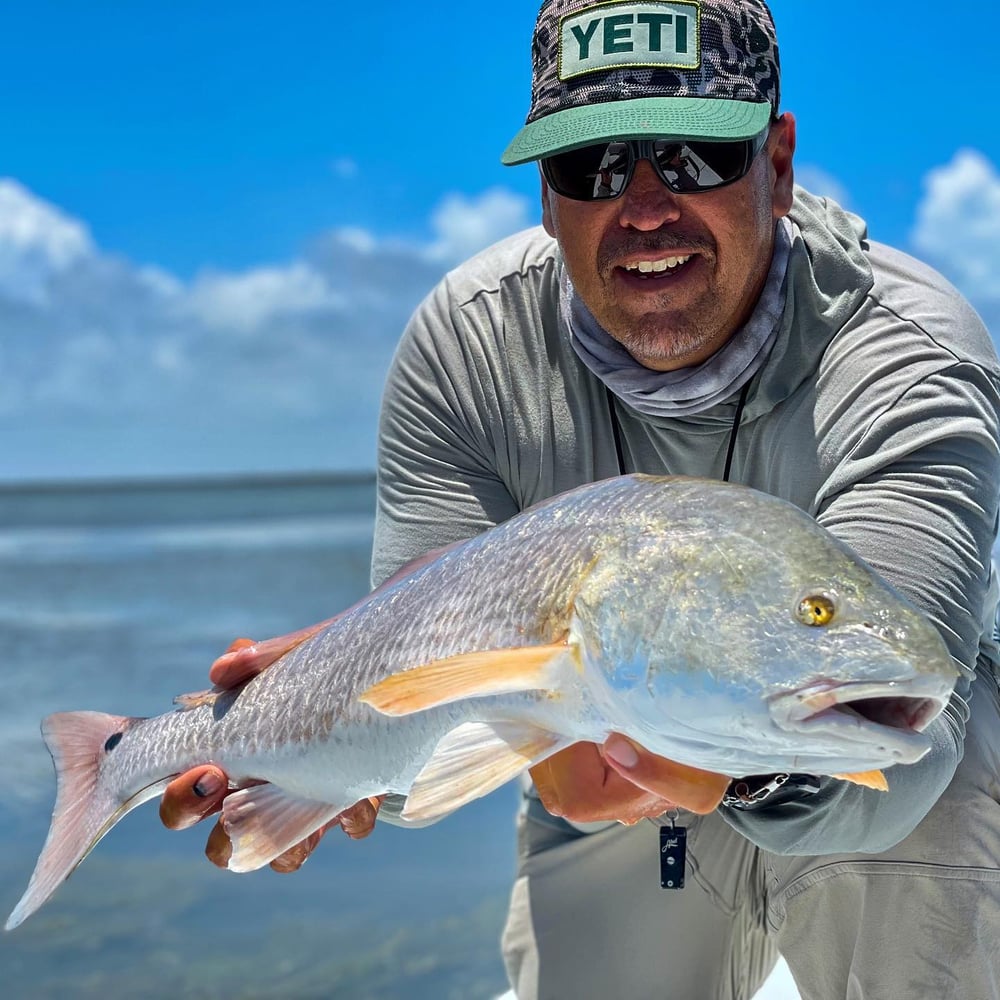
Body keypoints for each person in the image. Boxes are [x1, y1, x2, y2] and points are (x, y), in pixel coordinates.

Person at [161, 0, 1000, 996]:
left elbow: (911, 717)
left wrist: (733, 768)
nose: (644, 207)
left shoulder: (912, 356)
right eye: (591, 167)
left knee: (937, 746)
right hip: (582, 748)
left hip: (857, 771)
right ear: (547, 199)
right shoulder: (465, 346)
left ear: (776, 164)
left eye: (692, 154)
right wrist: (324, 771)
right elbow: (418, 678)